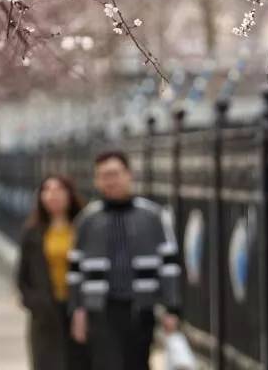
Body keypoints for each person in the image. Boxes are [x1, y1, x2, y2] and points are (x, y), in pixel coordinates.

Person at [69, 150, 181, 370]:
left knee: (137, 363)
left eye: (115, 174)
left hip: (141, 306)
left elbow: (169, 266)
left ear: (129, 175)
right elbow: (75, 270)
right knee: (106, 363)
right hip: (101, 308)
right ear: (97, 180)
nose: (110, 181)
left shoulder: (153, 216)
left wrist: (172, 308)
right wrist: (77, 310)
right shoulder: (88, 219)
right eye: (104, 175)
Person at [16, 175, 90, 370]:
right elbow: (23, 276)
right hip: (46, 313)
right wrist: (34, 302)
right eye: (47, 190)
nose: (52, 195)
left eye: (58, 190)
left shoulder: (83, 228)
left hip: (79, 311)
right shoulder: (32, 232)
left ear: (69, 194)